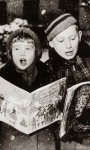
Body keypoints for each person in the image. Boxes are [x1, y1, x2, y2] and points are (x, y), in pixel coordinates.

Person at [0, 28, 59, 150]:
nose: (22, 53)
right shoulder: (4, 74)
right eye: (17, 49)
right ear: (10, 53)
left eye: (28, 48)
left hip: (43, 141)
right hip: (14, 141)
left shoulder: (46, 71)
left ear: (36, 52)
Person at [44, 10, 90, 149]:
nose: (68, 46)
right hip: (65, 141)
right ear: (51, 43)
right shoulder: (47, 70)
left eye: (72, 38)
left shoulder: (87, 62)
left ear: (80, 36)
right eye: (61, 40)